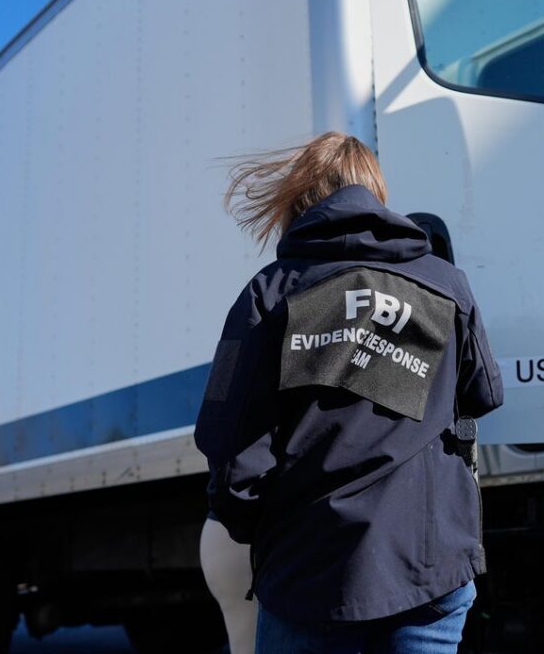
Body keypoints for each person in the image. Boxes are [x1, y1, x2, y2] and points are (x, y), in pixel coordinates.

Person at [195, 131, 503, 653]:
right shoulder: (446, 284)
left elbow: (230, 438)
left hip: (309, 572)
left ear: (300, 201)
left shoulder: (271, 292)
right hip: (427, 564)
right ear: (377, 194)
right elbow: (484, 393)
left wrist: (246, 527)